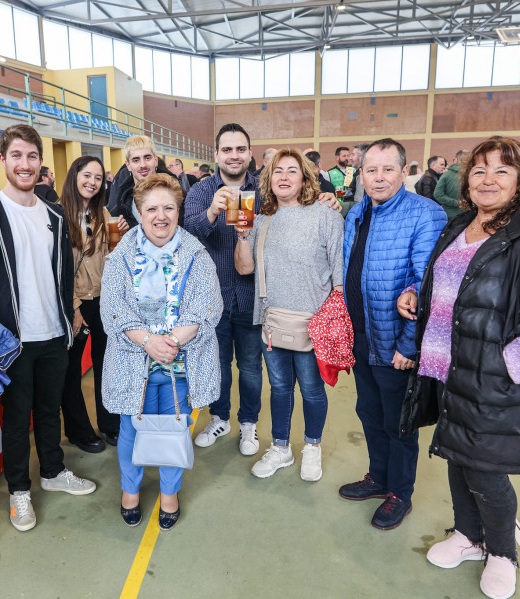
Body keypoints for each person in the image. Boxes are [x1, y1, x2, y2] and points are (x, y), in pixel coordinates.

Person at [398, 136, 520, 599]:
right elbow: (454, 288)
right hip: (447, 370)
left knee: (485, 470)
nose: (488, 179)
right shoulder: (461, 224)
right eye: (479, 170)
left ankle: (501, 552)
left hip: (491, 376)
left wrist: (507, 364)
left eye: (502, 171)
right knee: (455, 455)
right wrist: (419, 299)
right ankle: (467, 535)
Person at [0, 124, 96, 534]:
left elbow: (64, 271)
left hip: (53, 333)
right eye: (16, 156)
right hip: (11, 341)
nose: (25, 164)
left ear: (42, 163)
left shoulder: (54, 213)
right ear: (3, 159)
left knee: (50, 409)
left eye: (32, 157)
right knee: (17, 419)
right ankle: (19, 489)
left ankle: (52, 471)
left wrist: (71, 313)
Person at [101, 173, 222, 531]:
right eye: (151, 208)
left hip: (179, 363)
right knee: (130, 431)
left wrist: (170, 344)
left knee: (175, 428)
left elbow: (205, 308)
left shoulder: (196, 254)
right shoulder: (120, 256)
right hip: (131, 362)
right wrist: (147, 342)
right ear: (138, 212)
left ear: (179, 210)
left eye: (169, 207)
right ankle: (130, 490)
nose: (161, 216)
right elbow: (113, 309)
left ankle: (170, 493)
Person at [338, 138, 447, 530]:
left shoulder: (425, 215)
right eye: (371, 170)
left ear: (405, 172)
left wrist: (409, 344)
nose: (379, 177)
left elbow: (427, 284)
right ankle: (378, 477)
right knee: (369, 412)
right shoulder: (357, 214)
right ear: (361, 174)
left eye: (388, 169)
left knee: (399, 422)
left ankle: (400, 492)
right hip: (362, 337)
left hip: (395, 343)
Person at [233, 148, 344, 481]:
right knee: (279, 387)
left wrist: (336, 317)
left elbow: (339, 267)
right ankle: (281, 448)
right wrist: (242, 234)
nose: (284, 177)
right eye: (277, 171)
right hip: (272, 319)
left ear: (305, 178)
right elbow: (244, 268)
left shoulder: (326, 214)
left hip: (314, 320)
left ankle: (312, 446)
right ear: (268, 178)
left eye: (292, 171)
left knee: (311, 388)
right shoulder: (259, 216)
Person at [184, 123, 265, 456]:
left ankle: (249, 423)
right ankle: (220, 417)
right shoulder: (201, 191)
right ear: (216, 154)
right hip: (212, 299)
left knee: (249, 366)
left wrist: (326, 197)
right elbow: (186, 233)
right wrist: (212, 212)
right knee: (215, 364)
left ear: (249, 153)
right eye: (227, 150)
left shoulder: (264, 189)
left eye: (240, 149)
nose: (234, 156)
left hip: (252, 295)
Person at [59, 156, 128, 451]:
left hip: (103, 302)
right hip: (74, 304)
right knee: (72, 371)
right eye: (87, 175)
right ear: (74, 176)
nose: (92, 182)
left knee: (106, 365)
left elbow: (110, 261)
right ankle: (78, 431)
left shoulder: (103, 213)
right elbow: (57, 266)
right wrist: (73, 307)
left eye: (98, 178)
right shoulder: (58, 215)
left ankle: (110, 424)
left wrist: (121, 239)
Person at [107, 135, 171, 229]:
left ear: (156, 161)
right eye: (136, 160)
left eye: (147, 158)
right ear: (128, 165)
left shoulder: (176, 195)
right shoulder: (120, 204)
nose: (143, 165)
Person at [435, 149, 469, 220]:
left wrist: (456, 203)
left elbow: (437, 194)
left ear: (456, 160)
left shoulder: (446, 175)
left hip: (449, 215)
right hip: (468, 214)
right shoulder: (473, 175)